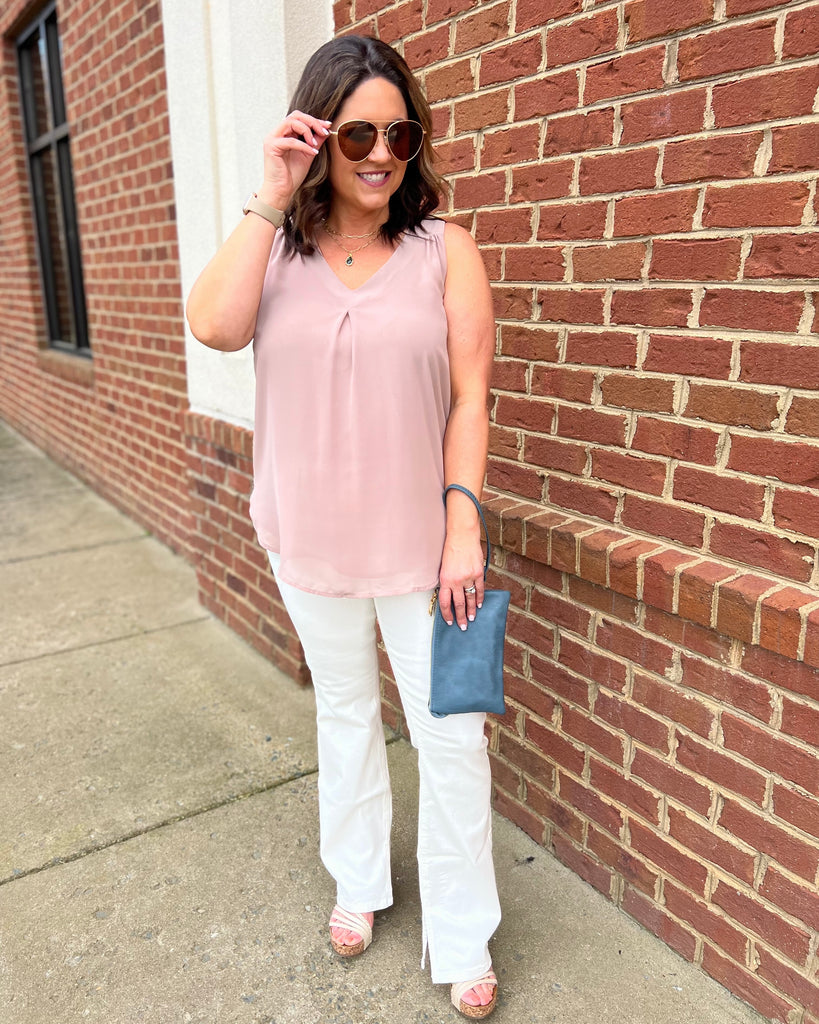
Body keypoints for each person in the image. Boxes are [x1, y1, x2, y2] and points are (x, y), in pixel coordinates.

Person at [186, 34, 501, 1018]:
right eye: (357, 134)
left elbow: (471, 398)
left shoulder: (446, 251)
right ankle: (358, 880)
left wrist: (463, 525)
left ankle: (463, 932)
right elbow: (213, 327)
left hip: (428, 557)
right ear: (318, 134)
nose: (381, 154)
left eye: (400, 135)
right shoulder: (275, 252)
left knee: (453, 737)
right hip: (306, 542)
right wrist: (270, 192)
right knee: (345, 712)